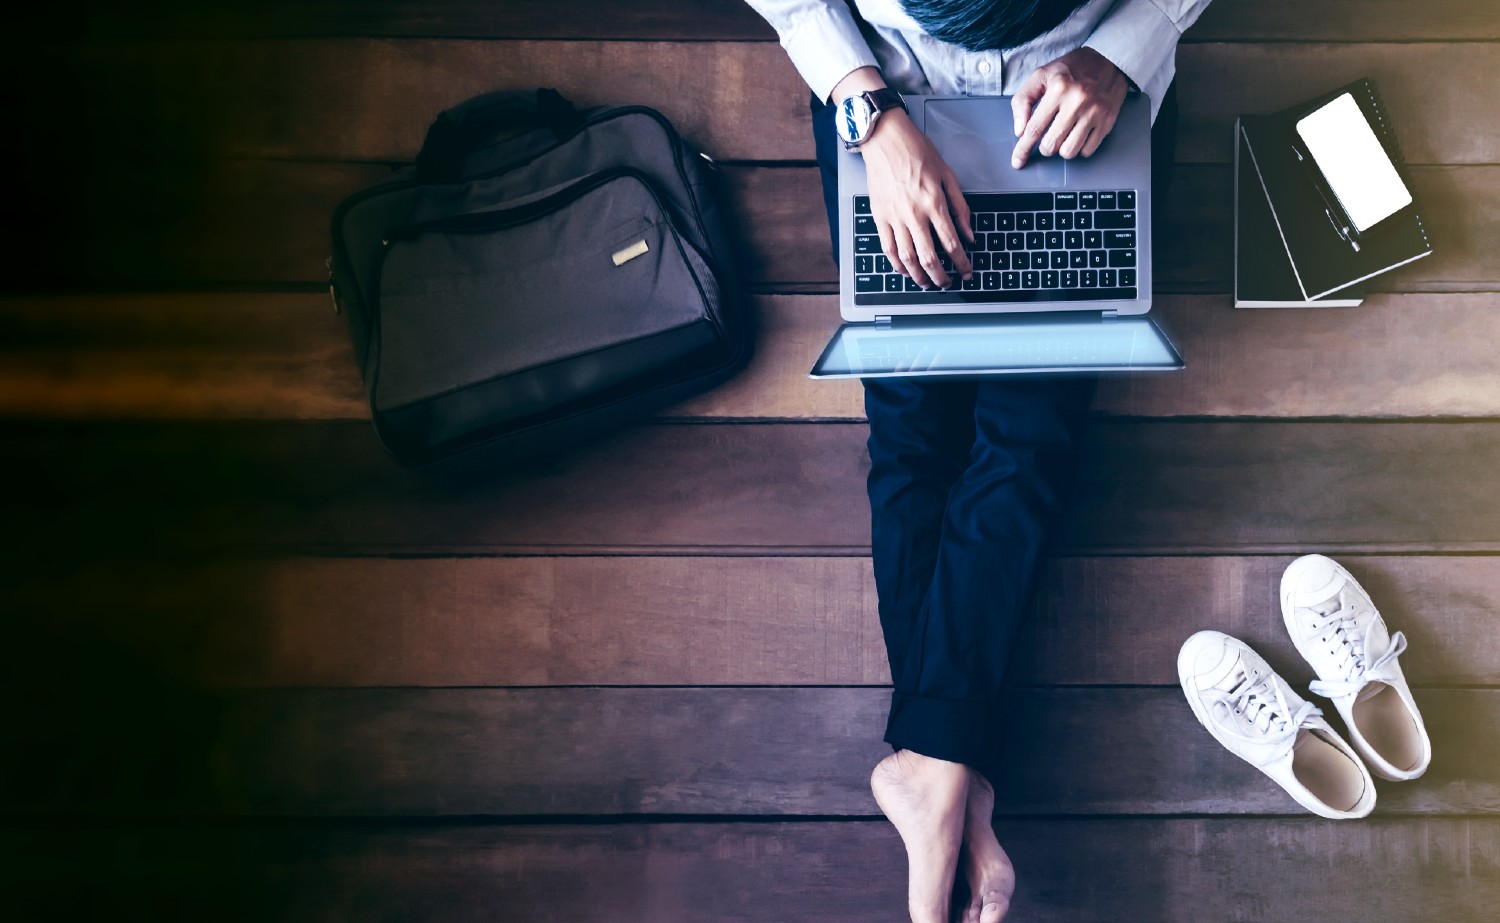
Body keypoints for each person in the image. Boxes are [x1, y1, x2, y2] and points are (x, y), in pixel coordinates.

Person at [743, 2, 1213, 921]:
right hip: (891, 86)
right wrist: (866, 111)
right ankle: (945, 771)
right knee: (916, 434)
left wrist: (1120, 54)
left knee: (1024, 443)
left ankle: (937, 768)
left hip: (1076, 95)